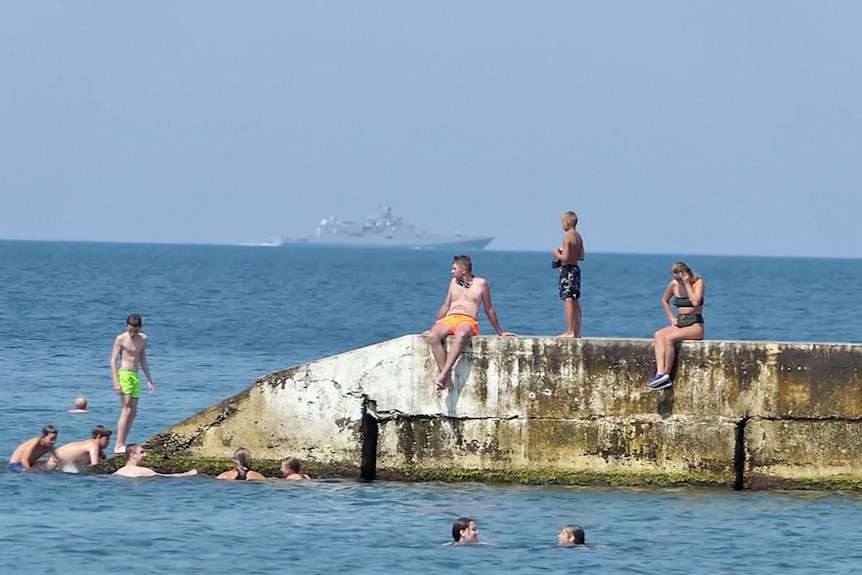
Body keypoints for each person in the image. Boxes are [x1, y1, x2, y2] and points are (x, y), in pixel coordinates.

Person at [425, 255, 515, 390]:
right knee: (433, 336)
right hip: (450, 318)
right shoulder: (453, 282)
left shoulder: (481, 284)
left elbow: (489, 308)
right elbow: (446, 305)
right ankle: (446, 376)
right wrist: (435, 325)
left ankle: (443, 374)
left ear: (463, 269)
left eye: (454, 268)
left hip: (467, 319)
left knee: (461, 335)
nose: (451, 271)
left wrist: (499, 332)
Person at [648, 261, 706, 390]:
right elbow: (664, 300)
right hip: (680, 322)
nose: (678, 281)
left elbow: (696, 302)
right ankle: (660, 373)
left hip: (695, 324)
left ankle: (667, 374)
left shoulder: (698, 283)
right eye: (676, 278)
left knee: (669, 339)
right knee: (658, 335)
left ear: (686, 273)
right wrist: (670, 317)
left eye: (680, 278)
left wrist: (687, 284)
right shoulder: (674, 285)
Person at [110, 313, 155, 454]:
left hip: (135, 376)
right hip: (124, 374)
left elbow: (142, 359)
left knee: (134, 411)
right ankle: (118, 444)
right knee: (127, 409)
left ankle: (123, 441)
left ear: (140, 328)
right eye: (130, 329)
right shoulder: (121, 338)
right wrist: (116, 382)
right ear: (126, 326)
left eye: (135, 331)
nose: (132, 333)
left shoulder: (143, 339)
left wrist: (149, 380)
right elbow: (113, 360)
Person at [553, 211, 585, 337]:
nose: (562, 225)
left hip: (568, 270)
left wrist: (557, 253)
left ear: (567, 222)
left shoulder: (567, 237)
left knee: (568, 299)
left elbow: (565, 258)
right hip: (576, 269)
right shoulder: (578, 237)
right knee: (575, 299)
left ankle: (570, 331)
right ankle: (576, 331)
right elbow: (581, 256)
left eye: (562, 222)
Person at [46, 425, 111, 470]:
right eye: (107, 439)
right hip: (54, 465)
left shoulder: (93, 445)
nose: (108, 442)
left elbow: (105, 459)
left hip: (55, 461)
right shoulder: (93, 445)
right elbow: (95, 466)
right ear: (99, 437)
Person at [113, 444, 198, 477]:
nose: (145, 455)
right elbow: (168, 477)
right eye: (142, 452)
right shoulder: (144, 471)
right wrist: (189, 473)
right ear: (133, 455)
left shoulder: (119, 471)